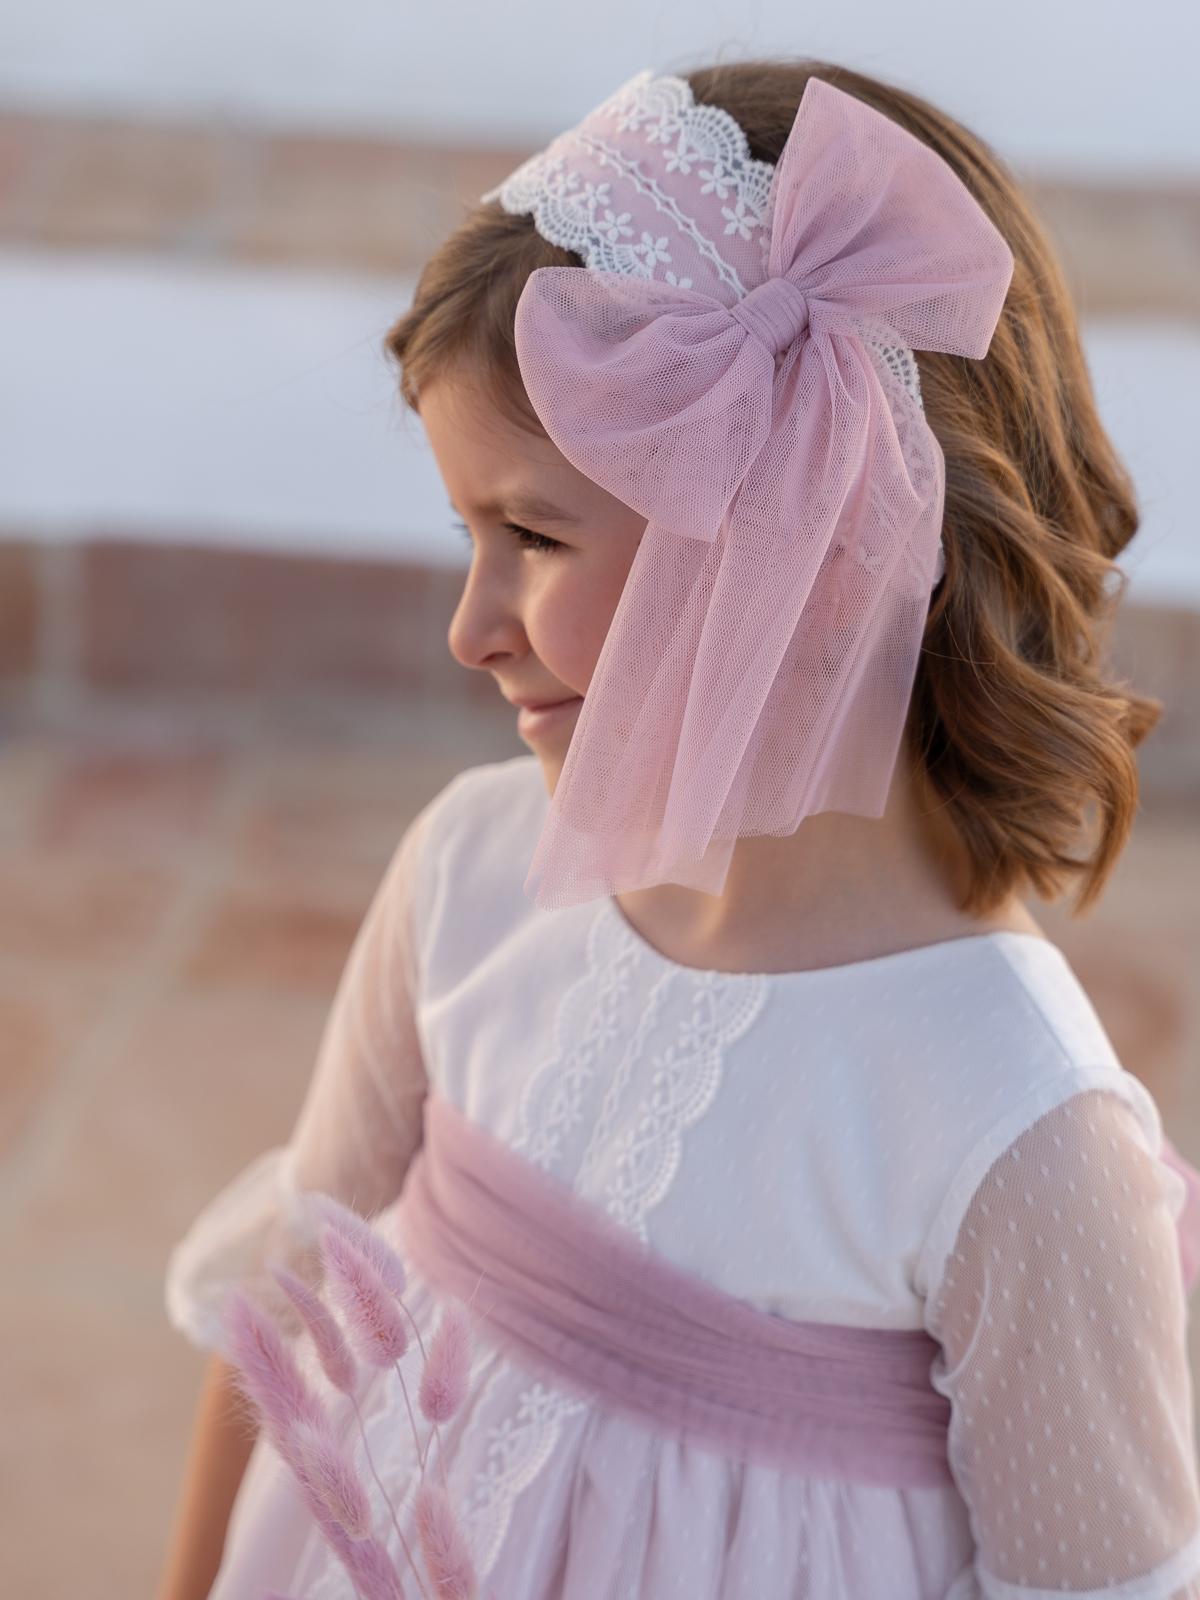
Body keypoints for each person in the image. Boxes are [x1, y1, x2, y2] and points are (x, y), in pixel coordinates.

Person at [157, 57, 1200, 1600]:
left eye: (532, 534)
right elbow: (293, 1317)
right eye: (468, 533)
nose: (471, 628)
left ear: (806, 546)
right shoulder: (471, 871)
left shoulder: (1016, 1122)